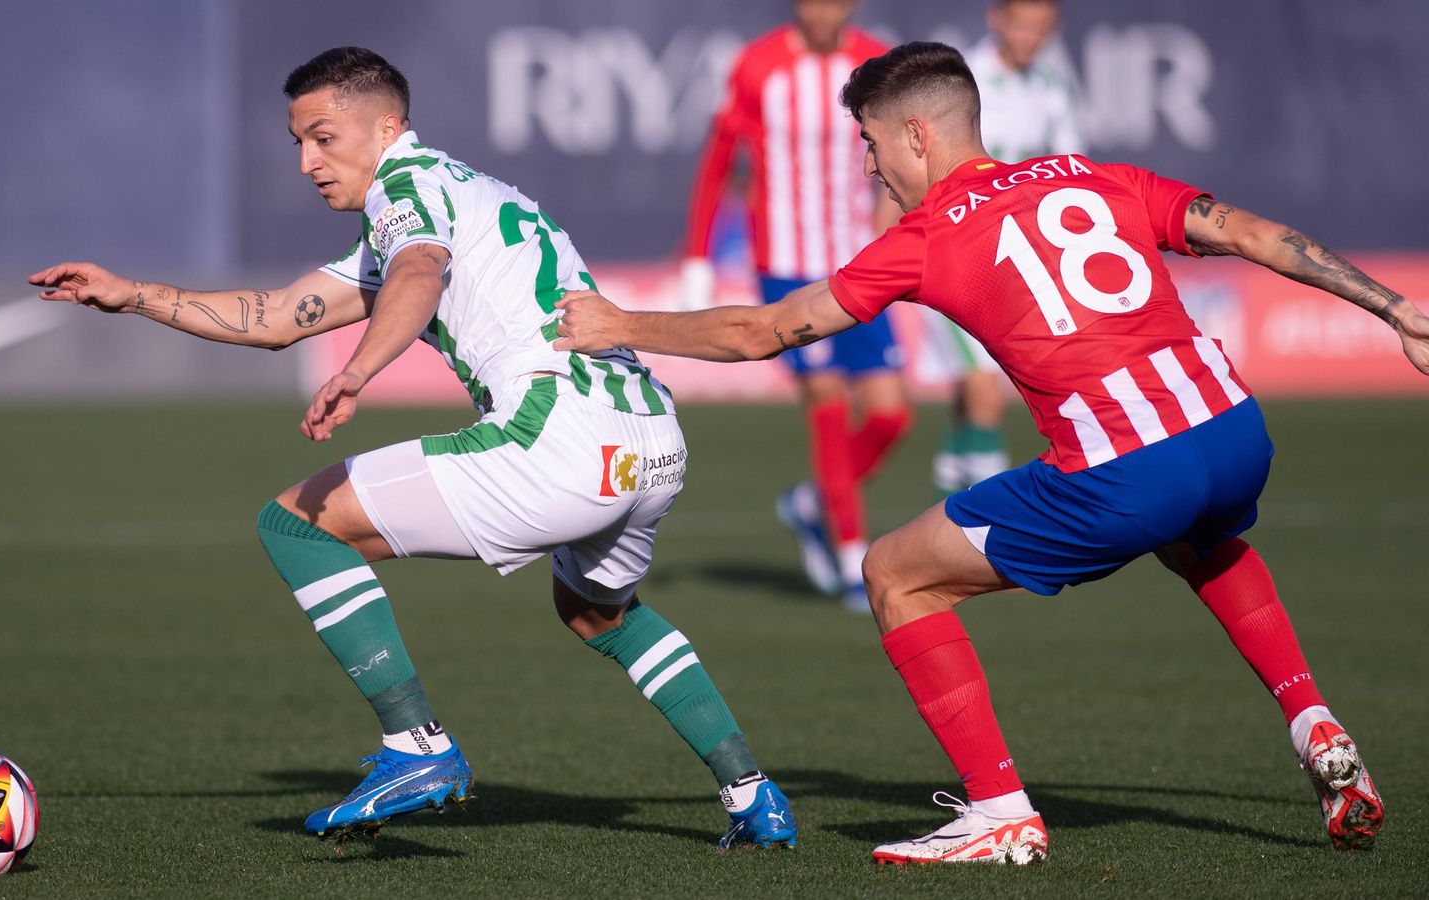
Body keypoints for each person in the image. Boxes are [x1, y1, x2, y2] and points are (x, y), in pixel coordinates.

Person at [556, 41, 1425, 864]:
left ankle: (998, 812)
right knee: (1202, 535)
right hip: (1235, 433)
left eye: (868, 143)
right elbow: (1255, 234)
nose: (867, 166)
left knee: (896, 573)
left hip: (1126, 471)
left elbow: (765, 331)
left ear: (916, 135)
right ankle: (1314, 720)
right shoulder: (1094, 173)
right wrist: (1395, 311)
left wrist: (619, 324)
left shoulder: (928, 234)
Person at [28, 47, 796, 850]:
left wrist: (359, 371)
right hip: (650, 447)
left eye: (323, 138)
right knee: (598, 613)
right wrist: (135, 295)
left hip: (558, 436)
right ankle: (751, 790)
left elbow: (421, 274)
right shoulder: (464, 193)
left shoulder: (406, 188)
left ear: (387, 126)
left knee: (297, 524)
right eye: (297, 143)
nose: (306, 163)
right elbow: (282, 316)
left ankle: (416, 746)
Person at [681, 0, 910, 611]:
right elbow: (718, 160)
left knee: (891, 415)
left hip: (858, 261)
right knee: (828, 400)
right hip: (784, 265)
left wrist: (895, 231)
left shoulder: (873, 62)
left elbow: (901, 156)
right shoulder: (759, 66)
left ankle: (812, 504)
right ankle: (850, 553)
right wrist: (699, 257)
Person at [928, 0, 1086, 498]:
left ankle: (951, 486)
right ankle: (989, 536)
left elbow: (1070, 170)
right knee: (984, 391)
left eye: (1040, 29)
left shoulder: (1052, 90)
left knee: (977, 394)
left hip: (1015, 260)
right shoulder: (959, 84)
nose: (1029, 37)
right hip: (952, 256)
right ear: (996, 18)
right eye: (1021, 24)